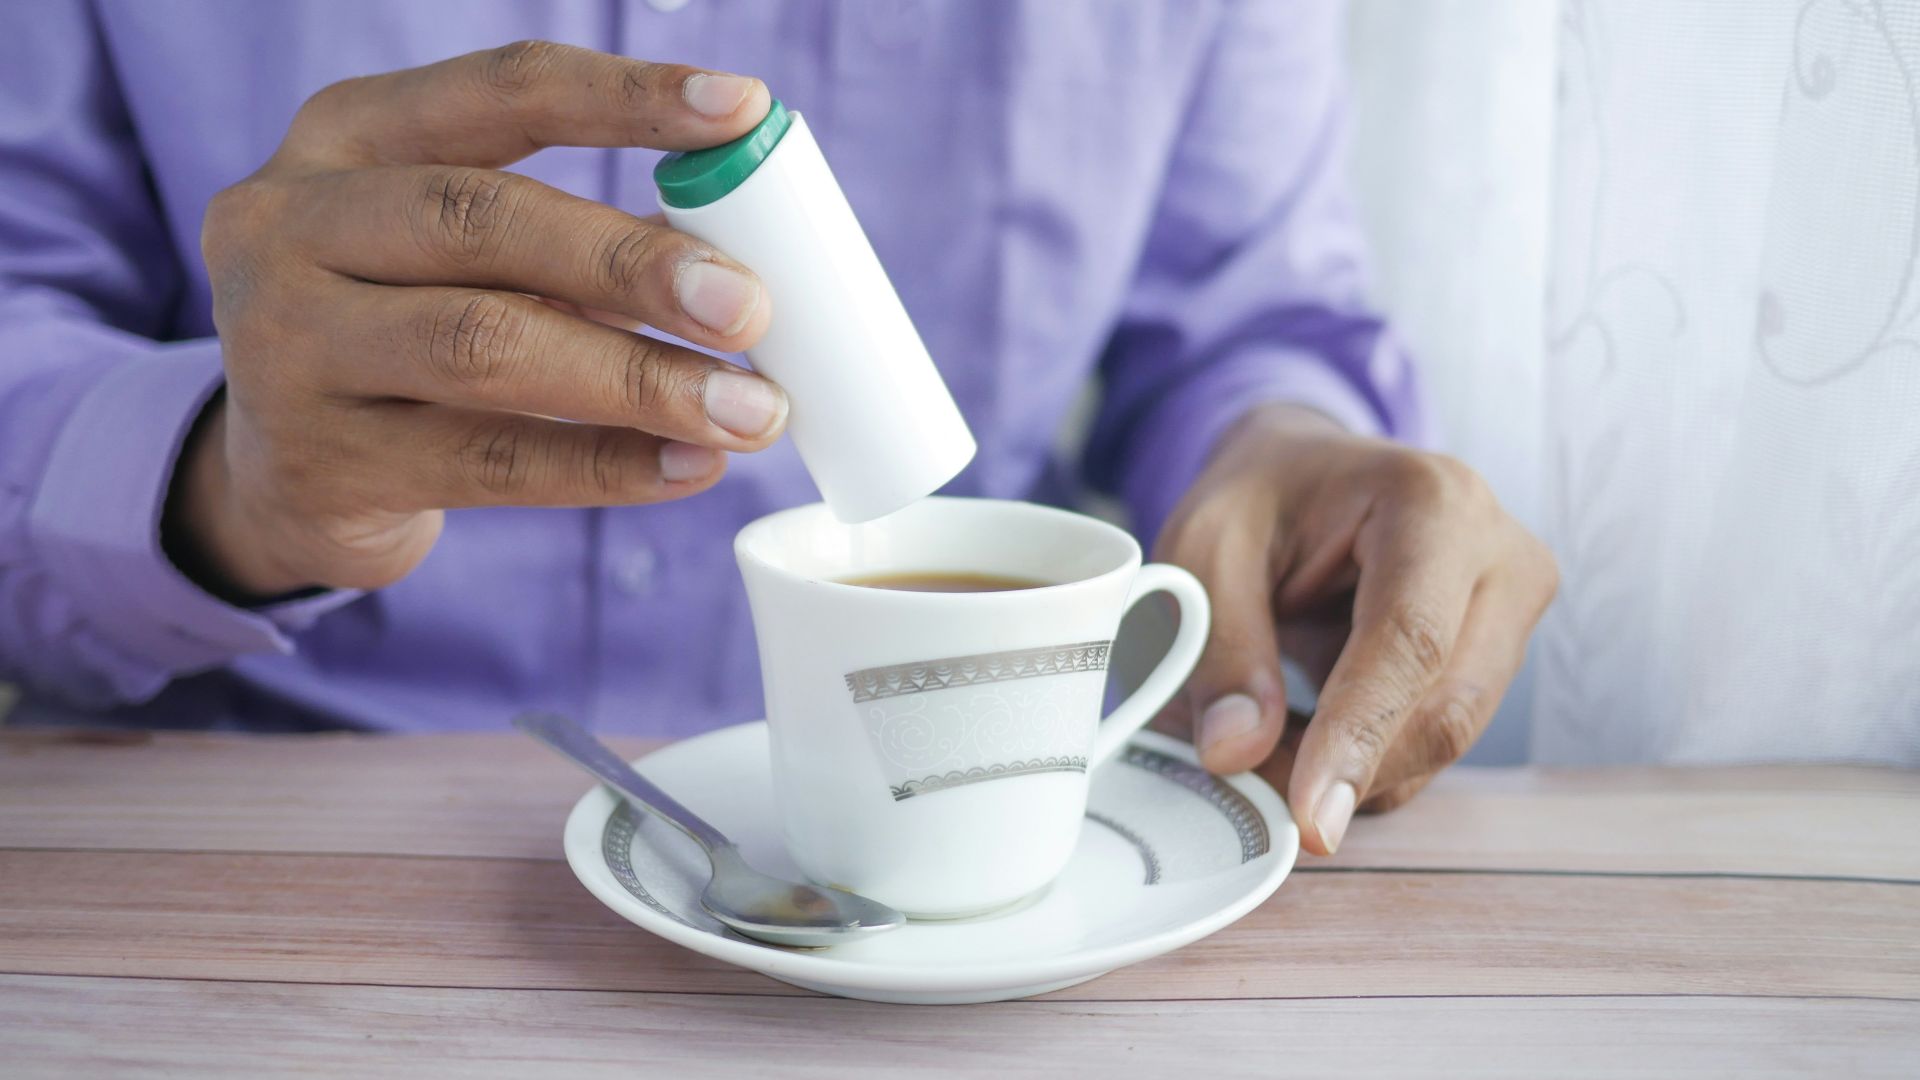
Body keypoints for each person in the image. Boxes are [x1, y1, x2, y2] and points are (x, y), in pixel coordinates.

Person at [0, 2, 1555, 856]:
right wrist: (234, 484)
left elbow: (1240, 320)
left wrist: (1281, 452)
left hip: (981, 889)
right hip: (287, 844)